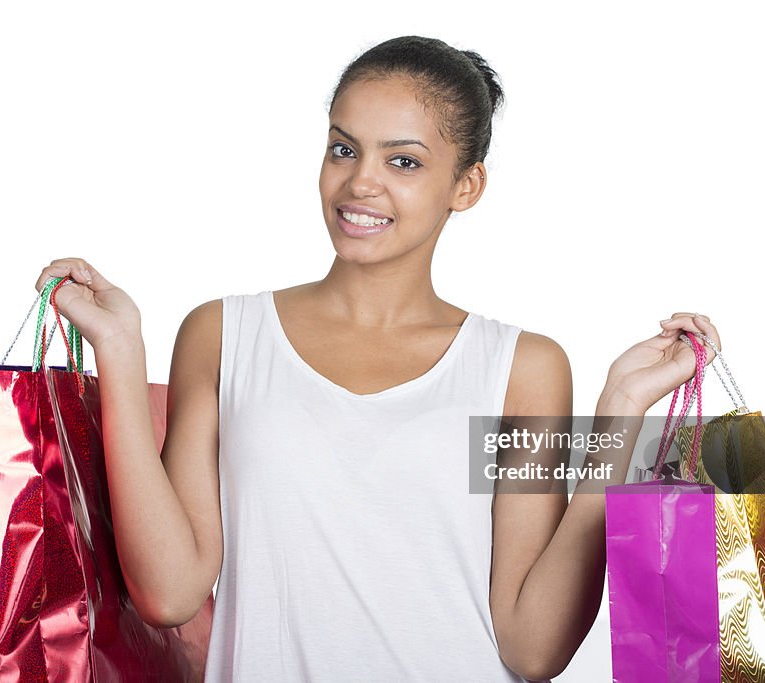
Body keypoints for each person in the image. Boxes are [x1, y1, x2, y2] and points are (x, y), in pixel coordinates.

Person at [35, 35, 721, 682]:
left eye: (403, 160)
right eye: (343, 149)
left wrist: (621, 414)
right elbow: (169, 591)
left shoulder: (520, 369)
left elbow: (531, 641)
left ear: (466, 185)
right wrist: (121, 354)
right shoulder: (223, 336)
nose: (360, 182)